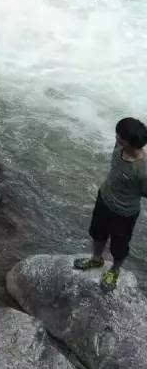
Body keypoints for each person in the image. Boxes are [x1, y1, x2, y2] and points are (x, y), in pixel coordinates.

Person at [74, 117, 147, 293]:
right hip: (104, 199)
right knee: (97, 233)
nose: (116, 138)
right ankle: (96, 259)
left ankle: (114, 270)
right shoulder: (119, 147)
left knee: (119, 246)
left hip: (124, 213)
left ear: (132, 143)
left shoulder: (143, 169)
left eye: (120, 137)